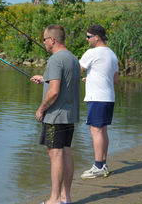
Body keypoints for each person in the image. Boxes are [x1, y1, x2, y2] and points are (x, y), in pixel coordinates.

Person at [31, 24, 80, 204]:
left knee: (56, 155)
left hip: (55, 116)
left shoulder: (55, 60)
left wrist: (41, 109)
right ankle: (65, 198)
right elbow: (64, 81)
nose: (43, 43)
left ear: (52, 40)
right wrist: (44, 79)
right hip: (69, 115)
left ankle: (54, 199)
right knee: (66, 152)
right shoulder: (72, 58)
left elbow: (54, 92)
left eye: (44, 39)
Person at [79, 24, 118, 179]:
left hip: (97, 98)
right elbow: (114, 80)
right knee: (103, 130)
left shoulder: (92, 53)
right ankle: (103, 163)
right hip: (109, 98)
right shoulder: (112, 54)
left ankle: (98, 167)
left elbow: (77, 69)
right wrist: (91, 79)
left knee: (95, 130)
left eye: (88, 37)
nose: (87, 39)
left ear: (97, 37)